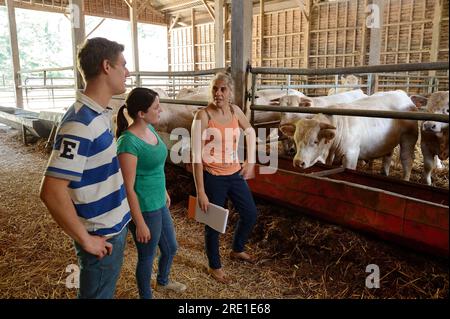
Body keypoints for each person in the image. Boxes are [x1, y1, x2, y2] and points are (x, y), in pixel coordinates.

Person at [40, 37, 131, 299]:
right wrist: (86, 239)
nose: (128, 72)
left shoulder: (99, 114)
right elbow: (51, 191)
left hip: (112, 227)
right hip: (100, 234)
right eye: (123, 65)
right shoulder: (79, 123)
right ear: (106, 67)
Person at [116, 87, 186, 299]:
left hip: (158, 201)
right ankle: (145, 295)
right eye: (156, 107)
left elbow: (157, 167)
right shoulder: (128, 142)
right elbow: (128, 186)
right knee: (147, 256)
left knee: (171, 247)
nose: (161, 109)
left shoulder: (151, 130)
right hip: (144, 206)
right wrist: (139, 222)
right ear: (141, 113)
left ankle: (162, 281)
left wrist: (164, 190)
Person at [191, 72, 258, 284]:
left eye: (223, 89)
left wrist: (250, 160)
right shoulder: (203, 116)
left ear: (230, 92)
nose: (218, 93)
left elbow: (250, 131)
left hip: (235, 173)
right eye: (214, 89)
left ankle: (237, 249)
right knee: (214, 223)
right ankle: (214, 265)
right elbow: (195, 156)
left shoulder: (236, 110)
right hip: (213, 176)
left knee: (250, 214)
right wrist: (200, 191)